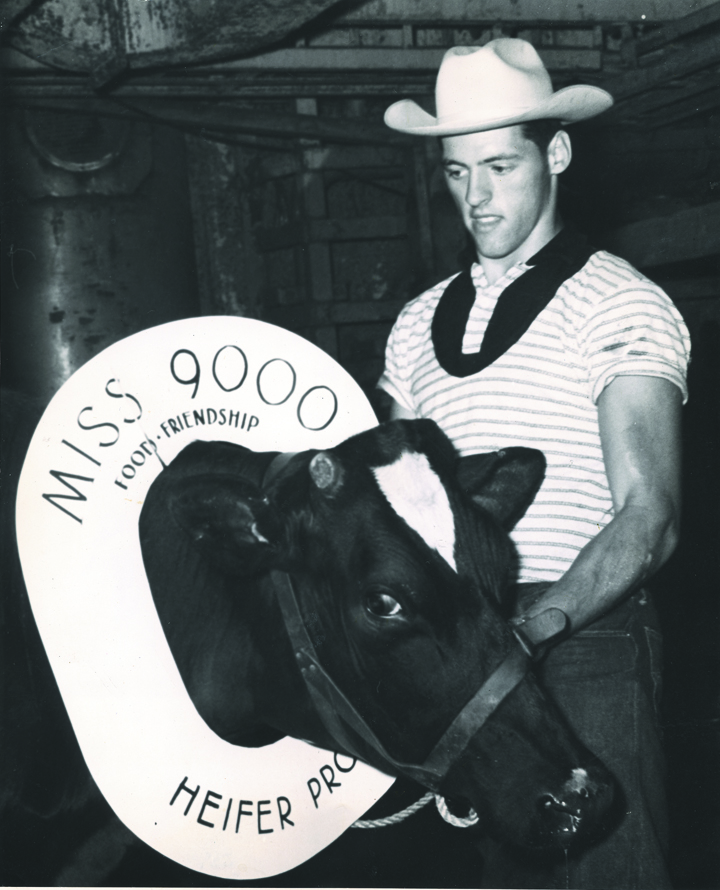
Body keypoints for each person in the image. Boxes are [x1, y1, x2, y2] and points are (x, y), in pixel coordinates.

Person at [378, 39, 690, 890]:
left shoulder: (619, 302)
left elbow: (648, 519)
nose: (476, 197)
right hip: (462, 653)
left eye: (500, 166)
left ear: (555, 153)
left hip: (586, 639)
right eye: (455, 172)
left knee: (610, 875)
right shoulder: (413, 328)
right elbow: (398, 516)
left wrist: (538, 627)